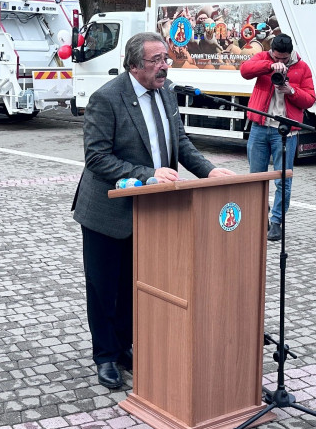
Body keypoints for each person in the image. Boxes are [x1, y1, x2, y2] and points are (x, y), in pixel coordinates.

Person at [72, 32, 234, 390]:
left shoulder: (167, 91)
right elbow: (97, 158)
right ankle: (105, 357)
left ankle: (125, 346)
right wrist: (147, 174)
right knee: (104, 288)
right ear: (134, 65)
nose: (164, 66)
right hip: (107, 213)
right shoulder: (107, 99)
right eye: (156, 60)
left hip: (153, 212)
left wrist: (209, 170)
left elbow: (181, 142)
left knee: (136, 285)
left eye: (166, 58)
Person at [240, 33, 316, 241]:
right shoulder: (265, 59)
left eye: (284, 59)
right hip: (260, 126)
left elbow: (310, 99)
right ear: (271, 51)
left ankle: (276, 222)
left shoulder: (302, 68)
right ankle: (258, 218)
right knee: (255, 178)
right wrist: (269, 66)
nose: (280, 62)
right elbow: (245, 71)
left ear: (290, 53)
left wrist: (291, 90)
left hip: (286, 132)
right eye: (277, 57)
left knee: (283, 180)